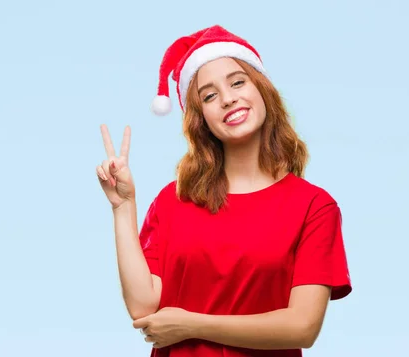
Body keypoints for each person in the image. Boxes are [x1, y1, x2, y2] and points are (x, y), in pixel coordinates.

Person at [96, 25, 352, 357]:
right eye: (209, 95)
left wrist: (192, 326)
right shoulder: (173, 201)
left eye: (237, 82)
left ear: (261, 89)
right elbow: (143, 307)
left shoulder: (314, 207)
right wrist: (122, 208)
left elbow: (302, 326)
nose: (228, 98)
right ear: (200, 117)